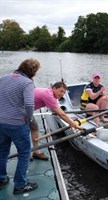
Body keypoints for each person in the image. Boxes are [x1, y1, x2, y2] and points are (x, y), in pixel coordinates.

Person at [0, 58, 40, 194]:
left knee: (2, 151)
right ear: (33, 72)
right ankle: (20, 185)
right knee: (24, 153)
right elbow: (29, 104)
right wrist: (29, 119)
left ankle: (1, 178)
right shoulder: (27, 82)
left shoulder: (4, 77)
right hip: (17, 124)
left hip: (1, 122)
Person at [30, 82, 82, 160]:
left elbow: (58, 110)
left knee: (34, 128)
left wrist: (69, 120)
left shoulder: (48, 92)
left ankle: (36, 152)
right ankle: (25, 154)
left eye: (64, 92)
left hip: (26, 110)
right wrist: (73, 124)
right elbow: (62, 114)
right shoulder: (49, 96)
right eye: (61, 91)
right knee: (23, 132)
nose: (62, 94)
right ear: (54, 88)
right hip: (19, 110)